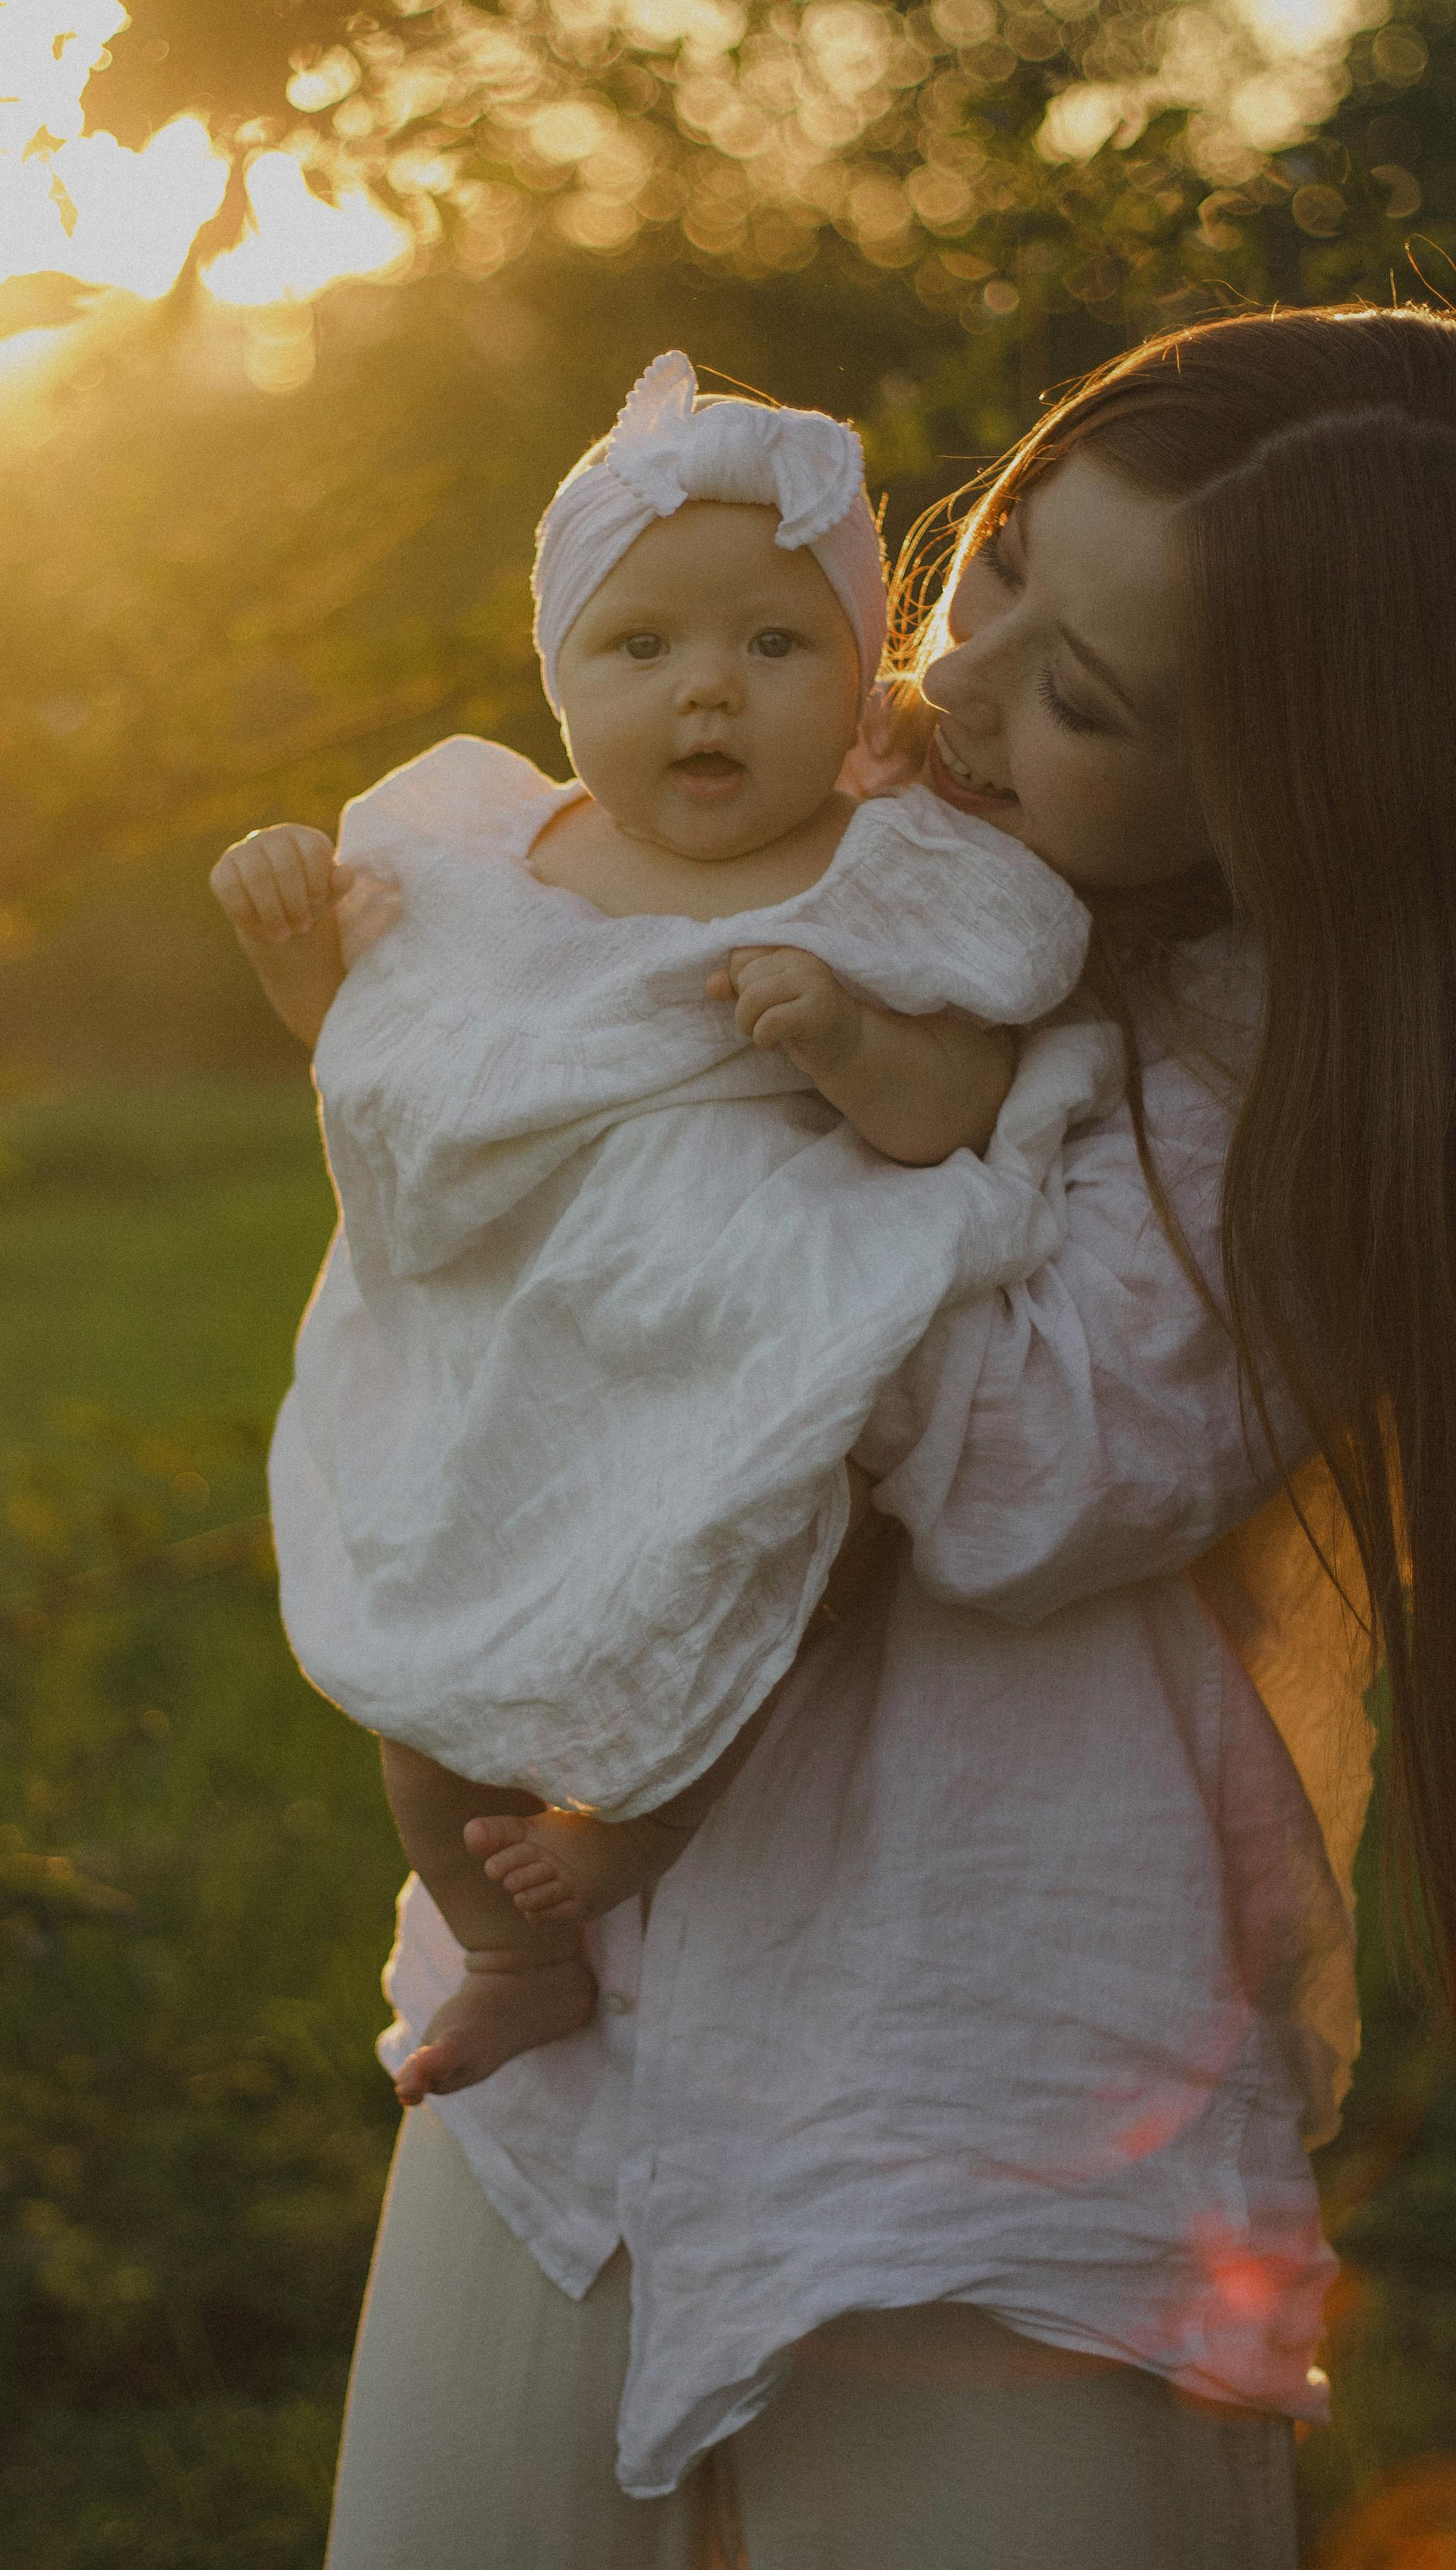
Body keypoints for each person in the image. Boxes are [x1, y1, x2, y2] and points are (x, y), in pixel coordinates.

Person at [321, 306, 1455, 2566]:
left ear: (1304, 790)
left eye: (1085, 697)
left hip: (979, 2085)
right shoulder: (827, 846)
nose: (958, 679)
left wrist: (660, 1184)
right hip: (581, 2012)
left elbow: (1019, 1475)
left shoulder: (1269, 1104)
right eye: (1004, 563)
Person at [212, 350, 1113, 2106]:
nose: (709, 695)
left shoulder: (885, 871)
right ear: (561, 677)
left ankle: (643, 1820)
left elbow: (949, 1111)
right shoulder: (488, 859)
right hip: (521, 1338)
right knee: (422, 1664)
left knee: (763, 1542)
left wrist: (848, 1035)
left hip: (732, 1300)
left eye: (773, 647)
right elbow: (409, 1084)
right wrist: (300, 958)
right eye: (644, 650)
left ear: (862, 676)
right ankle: (513, 1956)